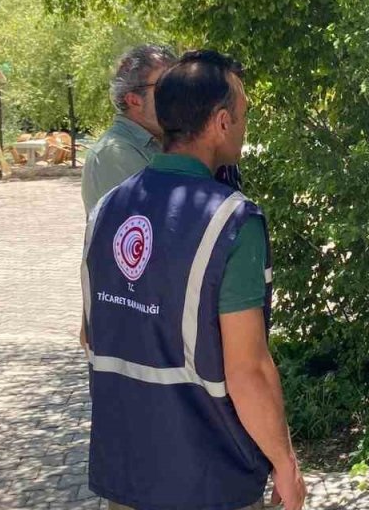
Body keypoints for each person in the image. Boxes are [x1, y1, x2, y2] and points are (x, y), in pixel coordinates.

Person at [81, 50, 305, 510]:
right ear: (222, 122)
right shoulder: (231, 221)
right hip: (207, 476)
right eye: (243, 115)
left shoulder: (107, 209)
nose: (245, 127)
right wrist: (285, 464)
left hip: (126, 473)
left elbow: (91, 334)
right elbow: (249, 371)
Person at [82, 44, 178, 216]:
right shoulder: (113, 153)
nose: (180, 93)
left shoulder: (160, 142)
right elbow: (162, 221)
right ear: (134, 101)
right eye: (167, 85)